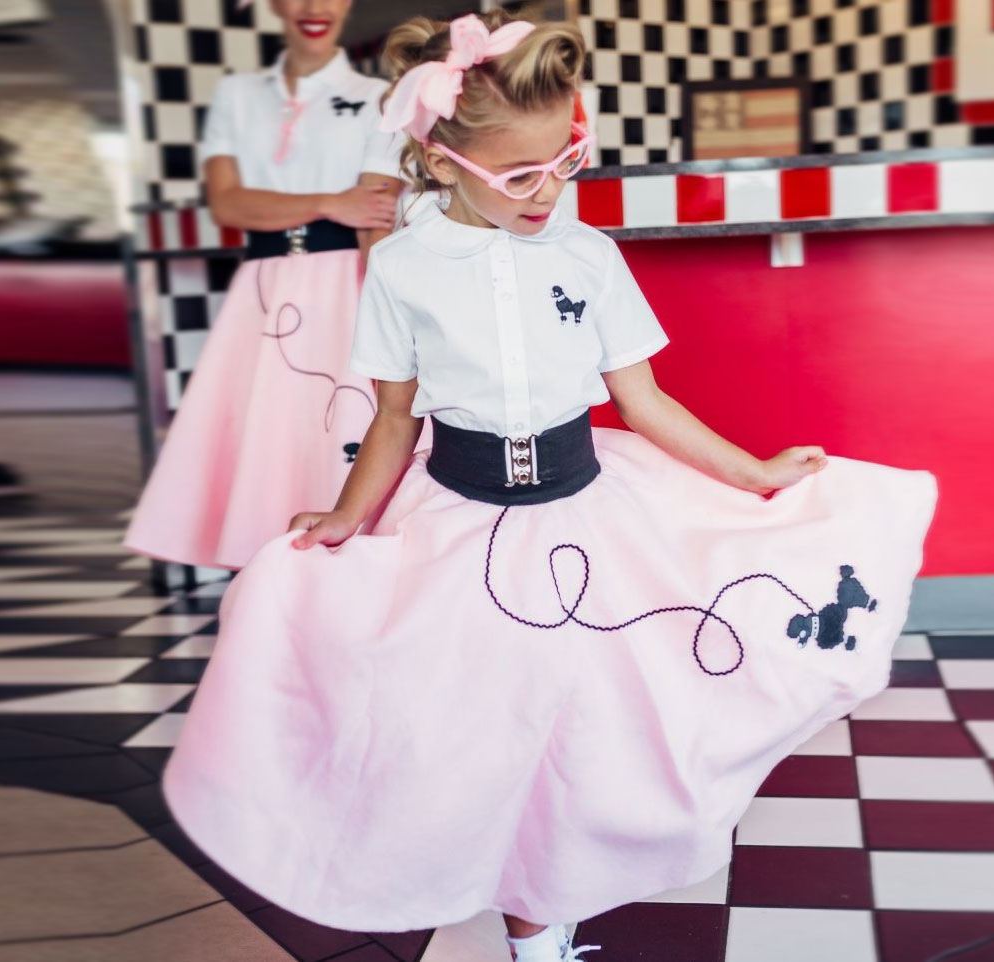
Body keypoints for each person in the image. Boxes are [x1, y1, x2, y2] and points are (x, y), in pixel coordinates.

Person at [161, 12, 938, 962]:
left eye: (565, 161)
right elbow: (397, 421)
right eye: (519, 174)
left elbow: (643, 400)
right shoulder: (401, 270)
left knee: (592, 721)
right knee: (474, 724)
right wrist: (347, 517)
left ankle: (546, 918)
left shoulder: (587, 255)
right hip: (461, 524)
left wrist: (755, 474)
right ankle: (509, 904)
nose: (549, 191)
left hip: (592, 515)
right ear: (444, 166)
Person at [123, 0, 403, 569]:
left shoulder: (382, 99)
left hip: (345, 283)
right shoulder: (238, 95)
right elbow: (229, 203)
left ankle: (353, 561)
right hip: (263, 289)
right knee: (268, 427)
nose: (315, 7)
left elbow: (375, 212)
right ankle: (269, 570)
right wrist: (332, 201)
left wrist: (339, 218)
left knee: (343, 418)